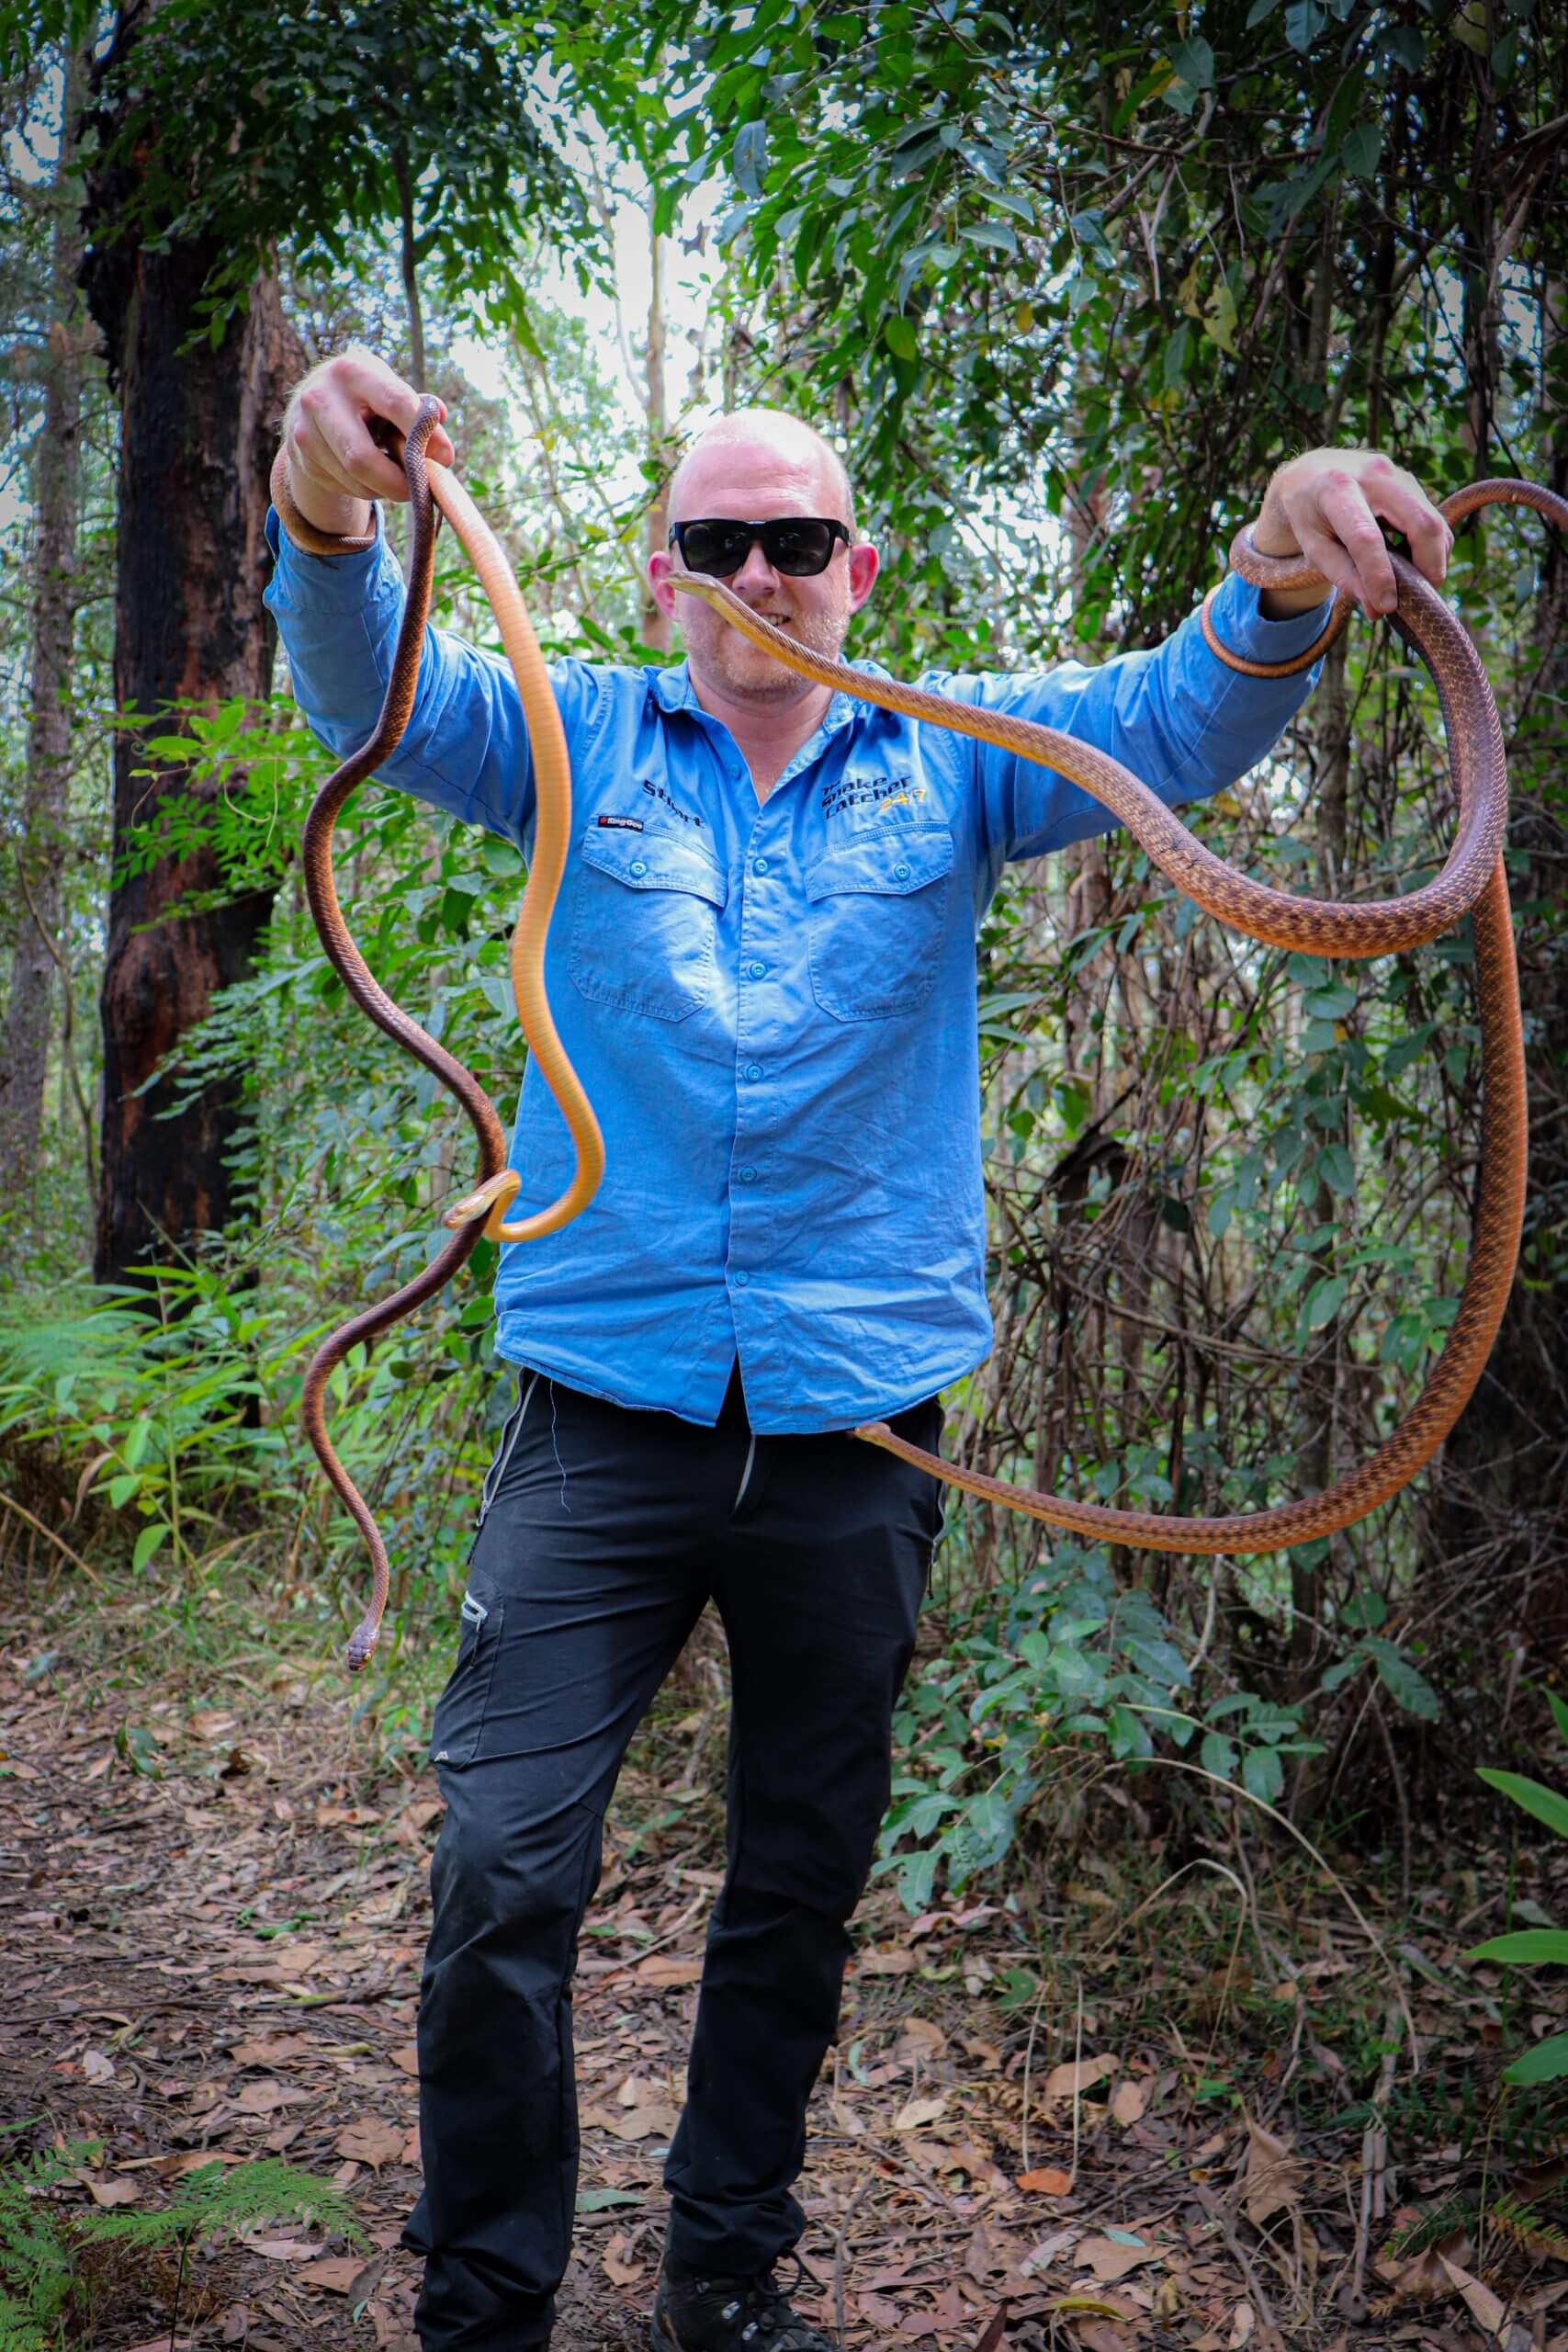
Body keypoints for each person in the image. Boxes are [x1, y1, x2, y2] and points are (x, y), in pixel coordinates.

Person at [266, 349, 1452, 2352]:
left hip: (859, 1437)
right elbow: (365, 688)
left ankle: (721, 2273)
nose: (758, 571)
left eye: (794, 539)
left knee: (795, 1883)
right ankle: (484, 2300)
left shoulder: (960, 752)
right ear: (657, 573)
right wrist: (318, 499)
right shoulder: (561, 742)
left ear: (854, 566)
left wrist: (1278, 554)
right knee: (497, 1870)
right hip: (601, 1420)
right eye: (716, 539)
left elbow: (1171, 717)